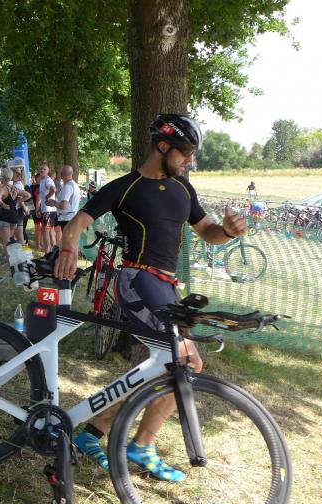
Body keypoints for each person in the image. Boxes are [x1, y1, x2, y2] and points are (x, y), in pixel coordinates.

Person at [55, 114, 247, 482]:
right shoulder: (125, 187)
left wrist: (227, 231)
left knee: (158, 367)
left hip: (166, 286)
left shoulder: (183, 189)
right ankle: (138, 445)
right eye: (185, 153)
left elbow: (207, 231)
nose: (189, 160)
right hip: (138, 280)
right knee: (185, 361)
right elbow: (76, 224)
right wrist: (68, 249)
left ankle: (94, 434)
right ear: (162, 146)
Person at [0, 168, 30, 261]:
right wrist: (17, 201)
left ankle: (13, 262)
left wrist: (3, 204)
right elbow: (28, 195)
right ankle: (24, 256)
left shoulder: (3, 188)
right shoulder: (15, 188)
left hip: (6, 217)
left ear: (4, 177)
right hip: (14, 217)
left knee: (9, 242)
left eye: (1, 177)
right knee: (15, 238)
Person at [47, 165, 80, 242]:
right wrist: (54, 202)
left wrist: (53, 203)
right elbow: (67, 203)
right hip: (70, 217)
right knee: (70, 242)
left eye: (61, 173)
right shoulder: (73, 184)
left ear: (62, 174)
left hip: (67, 219)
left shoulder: (68, 186)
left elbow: (64, 206)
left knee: (68, 243)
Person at [7, 157, 32, 246]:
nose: (9, 175)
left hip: (18, 211)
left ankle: (24, 250)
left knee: (19, 235)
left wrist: (18, 202)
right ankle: (23, 250)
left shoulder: (18, 185)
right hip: (18, 211)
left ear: (16, 174)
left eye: (11, 173)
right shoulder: (15, 184)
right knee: (18, 234)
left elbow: (24, 197)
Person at [39, 165, 58, 251]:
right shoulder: (42, 180)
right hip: (48, 210)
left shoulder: (47, 180)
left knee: (45, 231)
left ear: (48, 171)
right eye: (41, 169)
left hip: (49, 210)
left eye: (44, 169)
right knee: (50, 231)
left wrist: (47, 197)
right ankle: (53, 251)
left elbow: (53, 189)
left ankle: (48, 250)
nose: (42, 170)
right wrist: (40, 208)